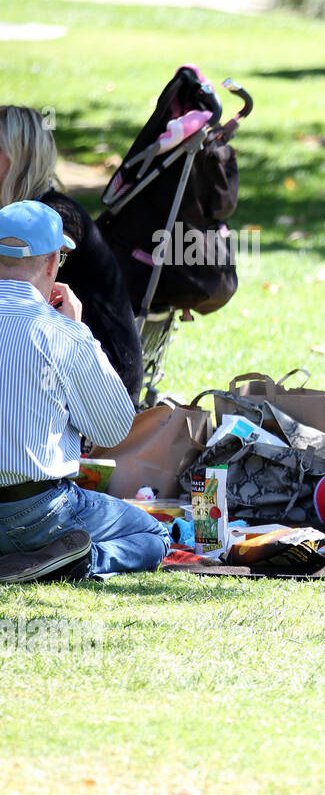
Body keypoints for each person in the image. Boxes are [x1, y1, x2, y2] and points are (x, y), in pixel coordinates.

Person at [0, 200, 169, 582]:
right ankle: (72, 562)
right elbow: (112, 430)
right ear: (50, 264)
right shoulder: (62, 334)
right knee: (152, 534)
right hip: (39, 512)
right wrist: (80, 332)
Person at [0, 105, 144, 399]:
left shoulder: (55, 220)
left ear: (18, 157)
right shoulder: (26, 215)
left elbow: (15, 311)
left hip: (102, 385)